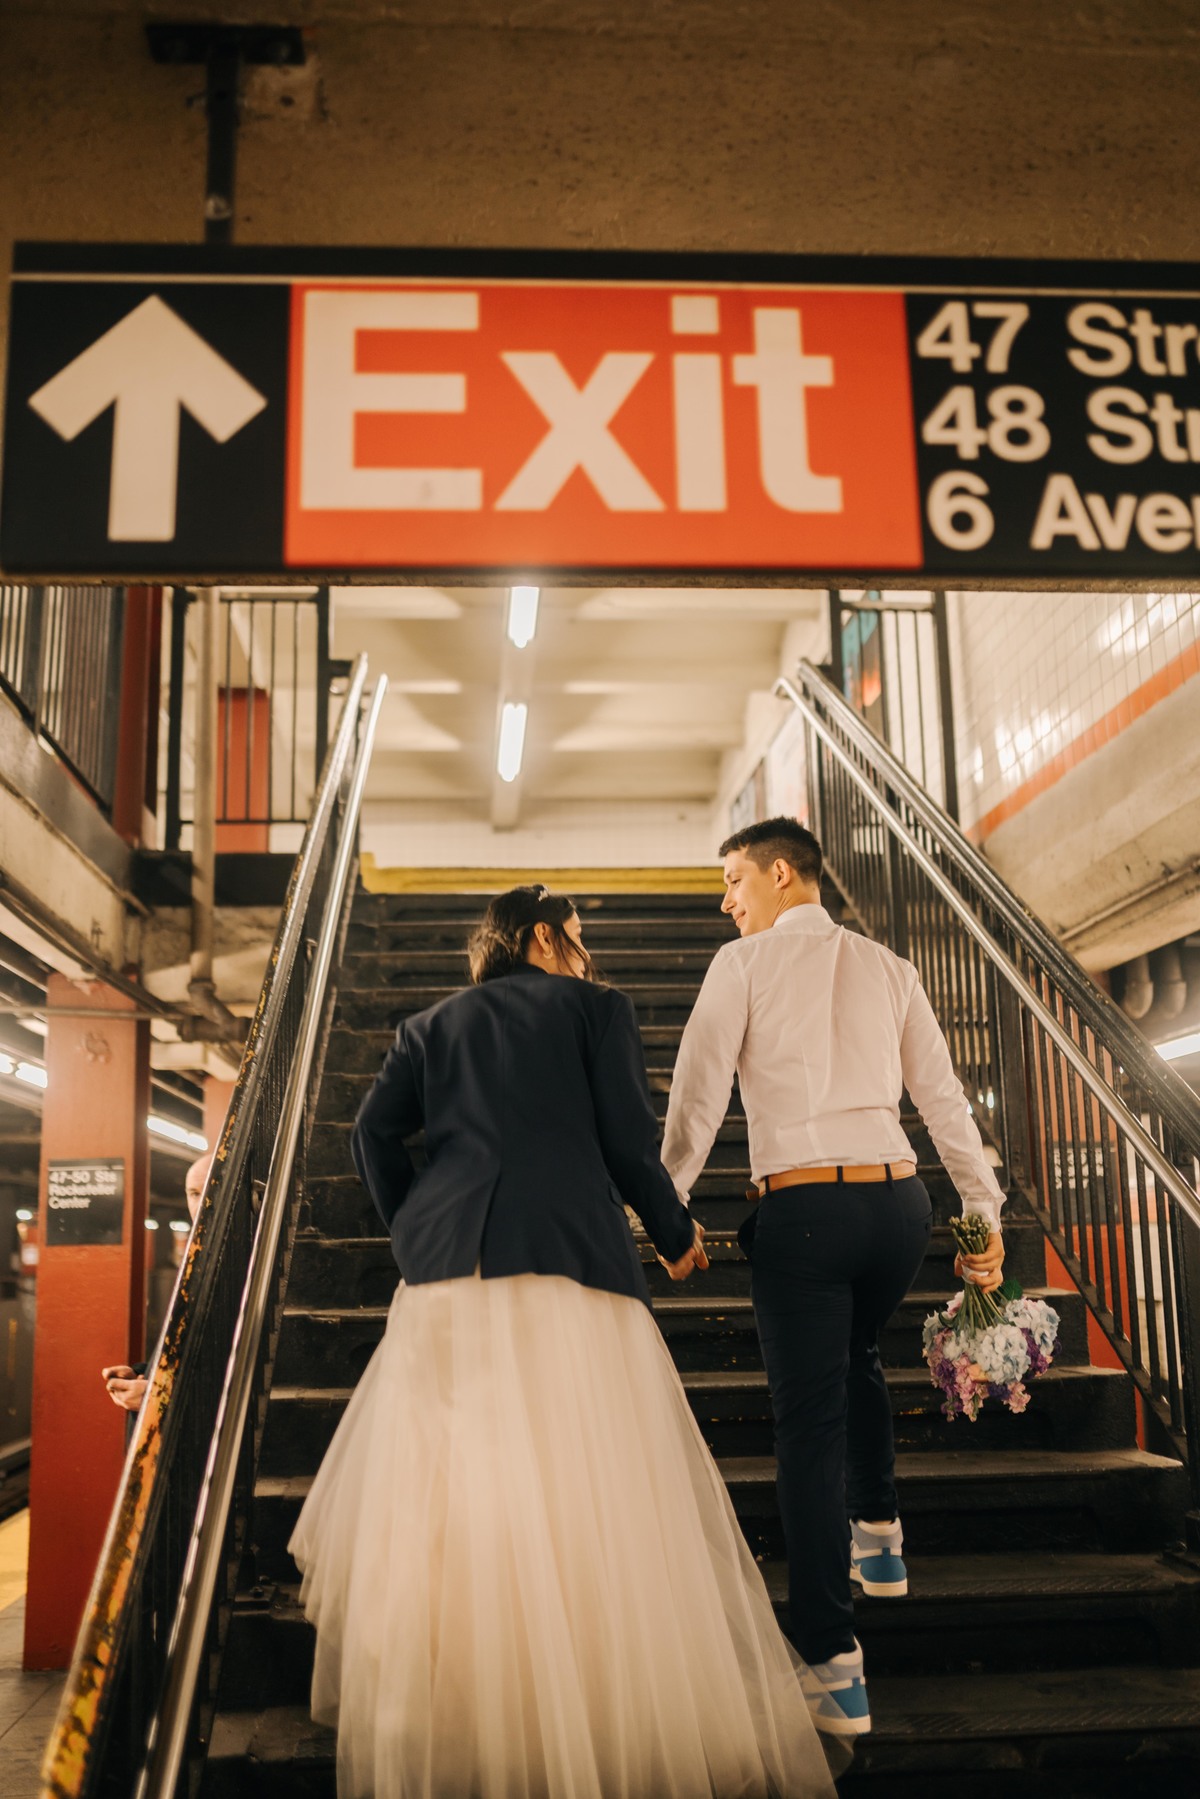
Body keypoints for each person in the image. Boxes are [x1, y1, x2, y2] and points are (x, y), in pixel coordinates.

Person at [289, 885, 844, 1799]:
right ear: (544, 939)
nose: (587, 954)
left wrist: (416, 1225)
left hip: (446, 1278)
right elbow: (628, 1141)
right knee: (589, 1490)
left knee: (461, 1497)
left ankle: (472, 1722)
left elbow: (371, 1134)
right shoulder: (596, 1009)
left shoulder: (430, 1026)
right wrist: (674, 1232)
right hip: (569, 1264)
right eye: (578, 938)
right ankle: (586, 1723)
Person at [662, 818, 1006, 1737]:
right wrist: (983, 1217)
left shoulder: (741, 966)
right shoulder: (891, 968)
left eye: (733, 880)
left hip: (806, 1213)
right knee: (856, 1351)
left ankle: (831, 1662)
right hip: (899, 1210)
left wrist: (668, 1207)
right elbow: (944, 1100)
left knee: (807, 1426)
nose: (726, 901)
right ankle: (881, 1537)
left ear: (781, 874)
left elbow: (698, 1096)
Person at [101, 1152, 211, 1415]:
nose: (201, 1203)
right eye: (194, 1194)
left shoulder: (245, 1261)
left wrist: (164, 1395)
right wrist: (144, 1373)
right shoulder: (200, 1255)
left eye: (210, 1189)